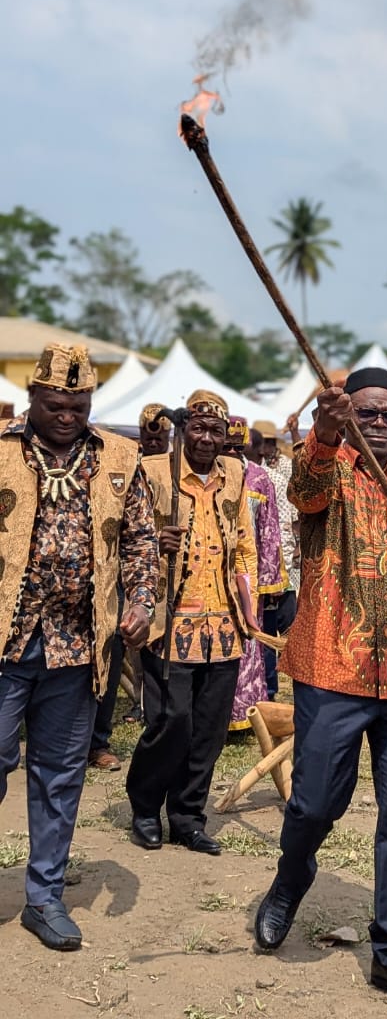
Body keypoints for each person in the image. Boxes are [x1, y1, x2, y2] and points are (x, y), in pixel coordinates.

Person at [255, 367, 387, 1011]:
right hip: (332, 668)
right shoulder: (331, 468)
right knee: (314, 803)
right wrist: (323, 428)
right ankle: (291, 879)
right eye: (366, 412)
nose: (377, 423)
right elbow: (304, 491)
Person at [0, 342, 158, 950]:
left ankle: (44, 898)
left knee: (60, 775)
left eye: (79, 402)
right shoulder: (4, 450)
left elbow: (143, 541)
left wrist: (142, 602)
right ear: (33, 398)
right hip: (8, 643)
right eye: (55, 402)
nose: (68, 413)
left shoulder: (120, 458)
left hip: (78, 646)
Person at [126, 389, 259, 855]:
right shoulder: (154, 470)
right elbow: (130, 534)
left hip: (223, 621)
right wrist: (153, 540)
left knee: (209, 727)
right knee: (170, 719)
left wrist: (250, 608)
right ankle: (145, 806)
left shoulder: (237, 474)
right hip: (169, 618)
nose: (206, 439)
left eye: (215, 431)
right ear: (183, 430)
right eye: (197, 429)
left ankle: (187, 815)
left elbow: (244, 542)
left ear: (226, 436)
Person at [87, 402, 171, 770]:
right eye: (149, 433)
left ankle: (98, 741)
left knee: (111, 657)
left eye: (161, 434)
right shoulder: (116, 461)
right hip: (85, 575)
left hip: (130, 579)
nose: (154, 440)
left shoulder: (172, 467)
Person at [224, 416, 284, 732]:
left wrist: (269, 578)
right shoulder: (210, 472)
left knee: (248, 643)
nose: (232, 452)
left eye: (237, 445)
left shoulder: (259, 478)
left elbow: (269, 530)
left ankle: (244, 715)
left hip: (247, 575)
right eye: (227, 446)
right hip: (211, 571)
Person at [252, 419, 299, 699]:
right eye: (264, 442)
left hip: (279, 568)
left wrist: (286, 561)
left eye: (271, 442)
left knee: (283, 632)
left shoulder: (279, 479)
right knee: (261, 633)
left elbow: (289, 525)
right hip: (253, 567)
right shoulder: (241, 477)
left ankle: (274, 690)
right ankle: (262, 691)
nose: (267, 447)